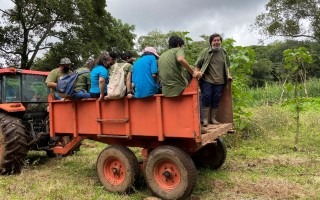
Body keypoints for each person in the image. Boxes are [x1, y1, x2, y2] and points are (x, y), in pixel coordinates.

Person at [195, 33, 232, 126]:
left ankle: (213, 118)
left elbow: (227, 65)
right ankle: (205, 119)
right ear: (211, 42)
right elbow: (197, 64)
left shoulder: (224, 52)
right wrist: (196, 75)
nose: (216, 42)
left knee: (216, 99)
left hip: (220, 81)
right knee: (206, 97)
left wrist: (228, 75)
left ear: (221, 42)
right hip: (207, 80)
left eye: (218, 40)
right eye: (214, 40)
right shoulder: (205, 52)